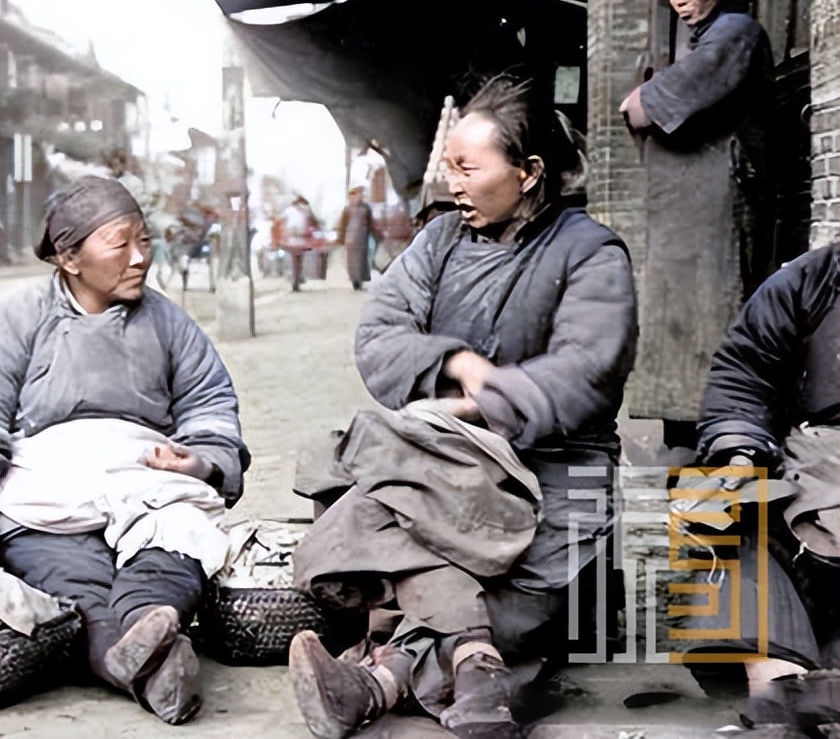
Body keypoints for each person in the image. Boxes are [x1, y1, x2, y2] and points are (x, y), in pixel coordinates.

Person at [288, 75, 638, 739]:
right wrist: (457, 362)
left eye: (468, 168)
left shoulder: (592, 254)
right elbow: (380, 338)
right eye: (449, 165)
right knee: (352, 470)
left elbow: (585, 372)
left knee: (505, 593)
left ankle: (380, 680)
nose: (451, 184)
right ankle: (476, 669)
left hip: (556, 473)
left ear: (530, 173)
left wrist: (481, 403)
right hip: (443, 461)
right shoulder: (440, 242)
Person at [0, 176, 249, 726]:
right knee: (75, 593)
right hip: (45, 493)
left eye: (144, 241)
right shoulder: (20, 315)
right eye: (121, 244)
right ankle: (152, 670)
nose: (140, 257)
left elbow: (208, 399)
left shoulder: (168, 321)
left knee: (173, 553)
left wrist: (195, 462)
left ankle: (154, 621)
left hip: (146, 480)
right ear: (70, 258)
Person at [672, 242, 839, 735]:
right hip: (810, 457)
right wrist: (739, 453)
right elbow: (743, 376)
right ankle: (774, 693)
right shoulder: (808, 280)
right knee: (716, 509)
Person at [619, 0, 775, 450]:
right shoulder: (709, 38)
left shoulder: (736, 32)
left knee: (711, 312)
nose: (679, 0)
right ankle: (688, 429)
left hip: (715, 203)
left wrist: (641, 97)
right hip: (689, 204)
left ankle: (713, 434)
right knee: (684, 315)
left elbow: (649, 107)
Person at [336, 186, 379, 291]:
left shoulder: (348, 208)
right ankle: (358, 280)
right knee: (360, 260)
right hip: (361, 237)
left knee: (353, 261)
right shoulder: (365, 208)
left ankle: (355, 280)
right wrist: (377, 235)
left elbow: (342, 225)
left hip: (350, 238)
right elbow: (371, 224)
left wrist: (341, 239)